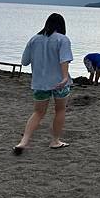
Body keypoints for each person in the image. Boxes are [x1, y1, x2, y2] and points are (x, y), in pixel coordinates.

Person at [13, 13, 73, 155]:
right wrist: (65, 78)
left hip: (39, 82)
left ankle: (24, 141)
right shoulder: (63, 39)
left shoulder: (34, 39)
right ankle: (55, 141)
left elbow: (24, 62)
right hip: (59, 83)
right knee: (60, 110)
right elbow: (64, 60)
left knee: (38, 112)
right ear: (61, 25)